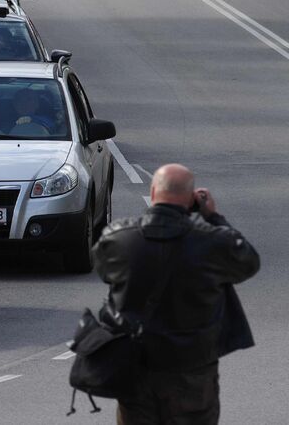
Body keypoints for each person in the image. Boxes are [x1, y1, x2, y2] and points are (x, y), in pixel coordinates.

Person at [93, 164, 260, 425]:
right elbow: (248, 262)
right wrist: (214, 217)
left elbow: (104, 271)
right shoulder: (211, 241)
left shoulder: (119, 238)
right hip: (192, 370)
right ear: (192, 199)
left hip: (137, 367)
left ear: (153, 192)